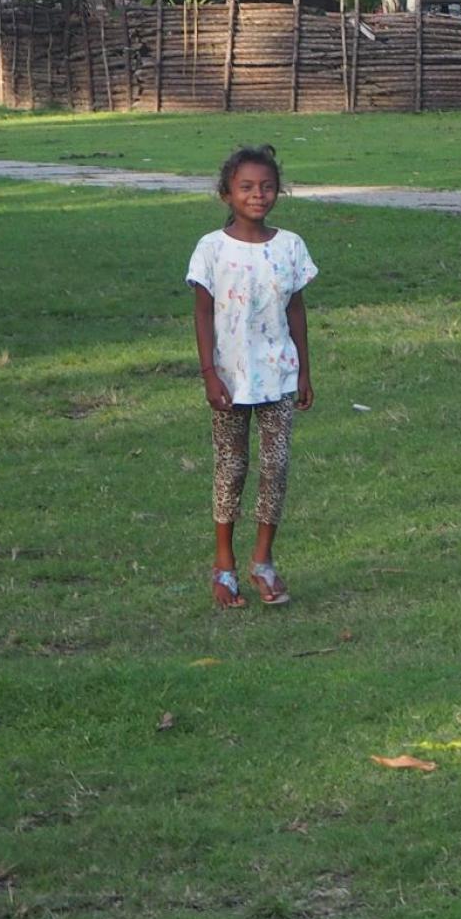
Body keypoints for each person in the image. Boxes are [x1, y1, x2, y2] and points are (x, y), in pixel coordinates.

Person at [188, 145, 316, 610]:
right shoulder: (211, 249)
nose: (257, 195)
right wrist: (209, 374)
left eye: (266, 187)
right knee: (232, 466)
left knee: (275, 468)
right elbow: (203, 315)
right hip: (229, 381)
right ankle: (224, 565)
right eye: (246, 187)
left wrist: (303, 369)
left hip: (278, 377)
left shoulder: (291, 246)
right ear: (226, 194)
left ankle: (263, 560)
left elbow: (296, 310)